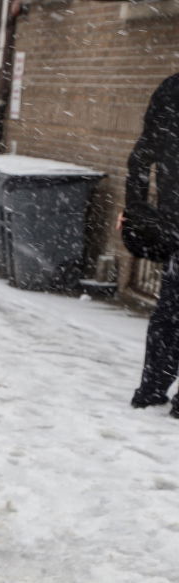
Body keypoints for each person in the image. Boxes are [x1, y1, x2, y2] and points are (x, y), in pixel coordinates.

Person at [127, 72, 179, 418]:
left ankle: (152, 387)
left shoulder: (172, 90)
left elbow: (142, 156)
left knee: (172, 308)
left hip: (175, 216)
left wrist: (141, 210)